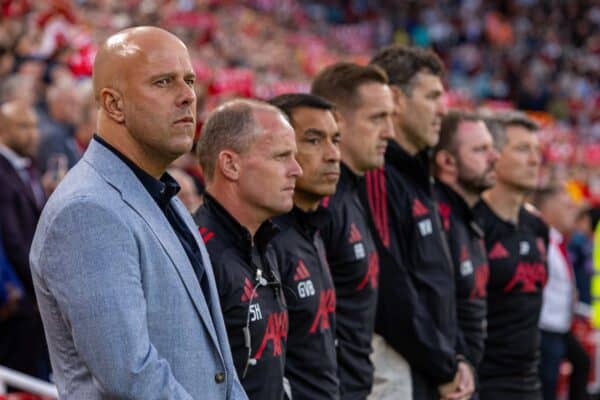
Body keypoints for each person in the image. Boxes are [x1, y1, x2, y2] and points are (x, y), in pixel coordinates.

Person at [30, 26, 246, 399]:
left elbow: (218, 366)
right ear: (113, 104)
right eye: (164, 82)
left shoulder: (162, 193)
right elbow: (131, 378)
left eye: (189, 80)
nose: (187, 97)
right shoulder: (87, 210)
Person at [363, 44, 473, 400]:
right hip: (401, 372)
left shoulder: (417, 175)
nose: (444, 108)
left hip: (431, 369)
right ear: (396, 98)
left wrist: (456, 357)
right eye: (433, 96)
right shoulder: (378, 174)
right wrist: (445, 365)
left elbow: (435, 284)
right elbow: (392, 287)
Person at [194, 99, 302, 400]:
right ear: (230, 165)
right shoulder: (196, 255)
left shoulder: (263, 241)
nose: (297, 170)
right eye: (281, 156)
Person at [310, 63, 395, 400]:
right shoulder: (320, 204)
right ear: (338, 122)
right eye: (377, 118)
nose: (389, 131)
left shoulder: (352, 194)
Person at [268, 93, 341, 399]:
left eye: (335, 140)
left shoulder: (313, 227)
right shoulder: (267, 239)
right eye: (313, 140)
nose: (333, 154)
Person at [474, 111, 548, 400]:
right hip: (482, 382)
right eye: (522, 149)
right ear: (493, 155)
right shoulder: (473, 223)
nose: (534, 160)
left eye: (537, 151)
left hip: (529, 381)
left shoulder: (537, 226)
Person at [432, 111, 500, 396]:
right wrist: (453, 360)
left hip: (467, 375)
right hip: (446, 380)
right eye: (480, 149)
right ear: (447, 162)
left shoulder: (468, 217)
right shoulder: (436, 218)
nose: (495, 156)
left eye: (491, 146)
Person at [534, 186, 590, 400]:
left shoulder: (558, 241)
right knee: (547, 383)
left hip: (560, 325)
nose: (573, 212)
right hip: (546, 328)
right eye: (567, 206)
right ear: (549, 208)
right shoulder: (542, 241)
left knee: (581, 362)